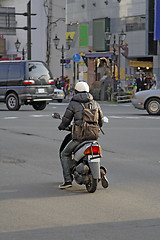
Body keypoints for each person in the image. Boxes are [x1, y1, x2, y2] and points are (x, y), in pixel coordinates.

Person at [58, 81, 108, 189]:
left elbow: (66, 119)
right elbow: (101, 121)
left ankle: (67, 181)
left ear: (76, 91)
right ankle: (100, 172)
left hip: (79, 138)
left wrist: (61, 126)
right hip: (93, 137)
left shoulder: (73, 103)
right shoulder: (95, 103)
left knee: (64, 154)